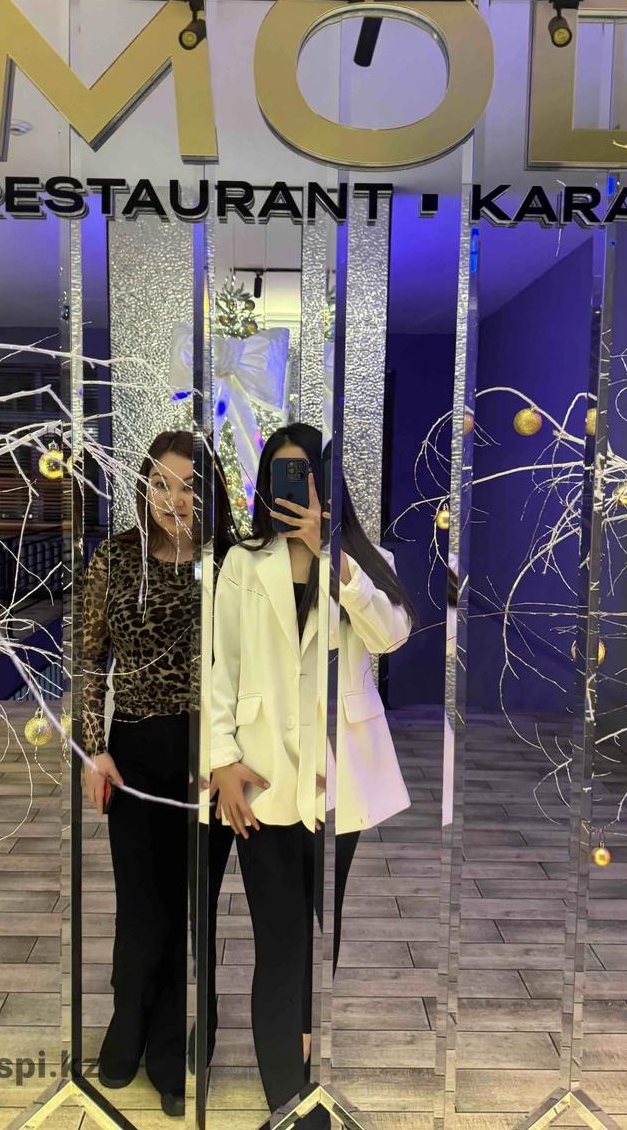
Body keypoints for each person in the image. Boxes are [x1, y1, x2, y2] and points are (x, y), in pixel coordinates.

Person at [210, 423, 416, 1128]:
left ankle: (305, 1056)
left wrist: (335, 560)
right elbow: (221, 667)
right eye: (282, 474)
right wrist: (220, 761)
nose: (293, 489)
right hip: (262, 778)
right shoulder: (243, 564)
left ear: (328, 488)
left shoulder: (363, 562)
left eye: (306, 476)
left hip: (338, 781)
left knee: (320, 934)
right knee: (280, 938)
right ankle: (288, 1101)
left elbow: (390, 637)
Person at [81, 430, 237, 1116]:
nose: (174, 500)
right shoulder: (115, 558)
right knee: (142, 902)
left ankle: (178, 1047)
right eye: (161, 485)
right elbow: (88, 660)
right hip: (136, 748)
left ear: (210, 494)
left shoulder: (228, 564)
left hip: (210, 754)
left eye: (189, 487)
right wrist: (94, 749)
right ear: (144, 487)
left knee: (192, 904)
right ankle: (130, 1020)